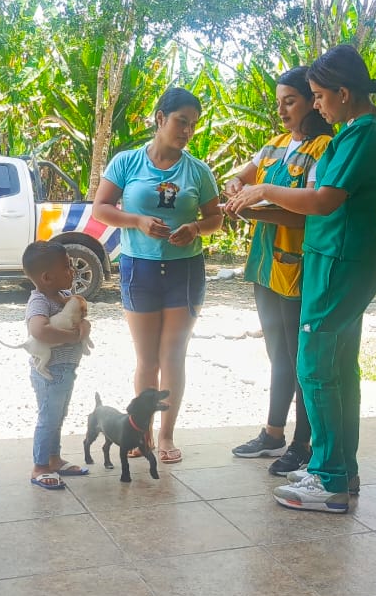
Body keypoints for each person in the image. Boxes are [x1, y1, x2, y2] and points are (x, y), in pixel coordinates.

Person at [225, 45, 376, 514]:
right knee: (338, 366)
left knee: (317, 366)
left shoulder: (365, 132)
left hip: (340, 259)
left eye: (319, 96)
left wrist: (264, 190)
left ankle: (329, 479)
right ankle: (339, 466)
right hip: (338, 257)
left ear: (343, 93)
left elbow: (324, 200)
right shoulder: (364, 130)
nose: (316, 105)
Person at [90, 87, 223, 463]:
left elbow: (215, 218)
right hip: (140, 270)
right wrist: (137, 221)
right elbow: (100, 208)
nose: (187, 131)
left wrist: (195, 229)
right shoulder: (127, 162)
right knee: (147, 360)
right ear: (160, 118)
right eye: (182, 121)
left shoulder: (198, 171)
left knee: (173, 358)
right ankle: (142, 436)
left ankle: (166, 436)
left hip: (184, 272)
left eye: (193, 125)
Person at [224, 67, 332, 476]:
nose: (282, 110)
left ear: (312, 102)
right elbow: (243, 176)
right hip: (266, 265)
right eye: (279, 102)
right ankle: (273, 433)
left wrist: (259, 205)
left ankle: (302, 443)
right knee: (277, 356)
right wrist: (236, 188)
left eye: (291, 101)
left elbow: (311, 211)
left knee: (298, 358)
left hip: (296, 266)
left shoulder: (324, 148)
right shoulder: (274, 145)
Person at [18, 242, 92, 490]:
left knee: (58, 416)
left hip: (66, 370)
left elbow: (78, 318)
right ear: (47, 277)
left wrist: (84, 327)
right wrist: (73, 337)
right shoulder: (39, 301)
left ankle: (54, 459)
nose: (73, 271)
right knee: (48, 418)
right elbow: (39, 330)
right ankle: (40, 466)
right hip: (50, 372)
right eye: (67, 267)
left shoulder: (64, 297)